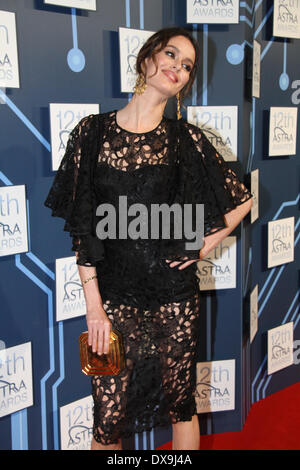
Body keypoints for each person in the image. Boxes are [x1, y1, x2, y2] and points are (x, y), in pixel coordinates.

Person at [44, 26, 253, 451]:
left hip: (174, 299)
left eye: (188, 65)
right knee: (108, 417)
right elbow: (83, 232)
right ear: (146, 59)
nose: (178, 67)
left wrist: (202, 244)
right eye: (171, 54)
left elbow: (241, 201)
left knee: (180, 406)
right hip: (114, 300)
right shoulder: (91, 134)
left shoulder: (186, 140)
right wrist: (94, 310)